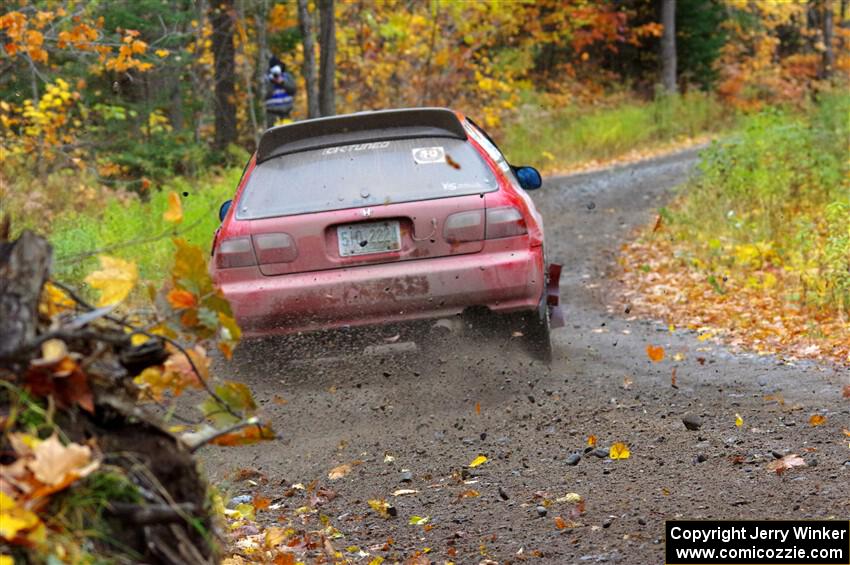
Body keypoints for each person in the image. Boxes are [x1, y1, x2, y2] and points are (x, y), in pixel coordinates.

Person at [265, 56, 296, 128]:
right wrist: (272, 82)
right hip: (272, 116)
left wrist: (282, 83)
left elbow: (293, 90)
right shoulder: (266, 79)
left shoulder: (287, 77)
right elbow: (265, 95)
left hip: (287, 114)